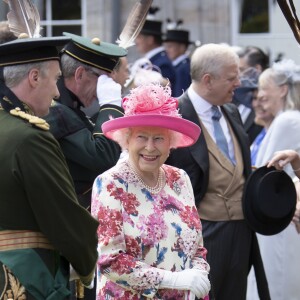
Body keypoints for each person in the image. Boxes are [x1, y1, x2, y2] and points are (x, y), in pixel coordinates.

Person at [165, 43, 269, 300]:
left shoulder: (231, 111)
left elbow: (236, 169)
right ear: (208, 80)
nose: (239, 83)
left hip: (242, 232)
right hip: (201, 235)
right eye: (232, 77)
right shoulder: (174, 115)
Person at [91, 83, 211, 299]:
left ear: (170, 142)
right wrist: (173, 280)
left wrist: (198, 276)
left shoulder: (180, 179)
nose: (150, 147)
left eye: (158, 138)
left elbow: (197, 249)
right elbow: (110, 261)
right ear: (126, 139)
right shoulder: (110, 183)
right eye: (141, 137)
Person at [0, 36, 98, 299]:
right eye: (55, 79)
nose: (57, 92)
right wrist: (87, 262)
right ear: (34, 77)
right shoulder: (30, 138)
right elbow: (63, 214)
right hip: (28, 277)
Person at [44, 32, 128, 209]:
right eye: (102, 79)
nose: (101, 91)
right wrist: (111, 105)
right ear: (80, 74)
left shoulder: (69, 107)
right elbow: (104, 157)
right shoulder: (56, 110)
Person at [247, 59, 300, 300]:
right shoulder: (277, 121)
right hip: (275, 213)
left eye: (264, 87)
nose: (259, 95)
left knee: (276, 281)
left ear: (283, 89)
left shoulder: (287, 120)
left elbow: (265, 170)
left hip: (278, 215)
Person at [135, 7, 176, 95]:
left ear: (150, 40)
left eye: (139, 37)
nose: (136, 41)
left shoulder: (162, 63)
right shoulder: (154, 60)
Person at [163, 19, 192, 97]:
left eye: (170, 46)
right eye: (166, 46)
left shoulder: (183, 68)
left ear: (182, 47)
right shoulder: (181, 66)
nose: (167, 50)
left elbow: (180, 96)